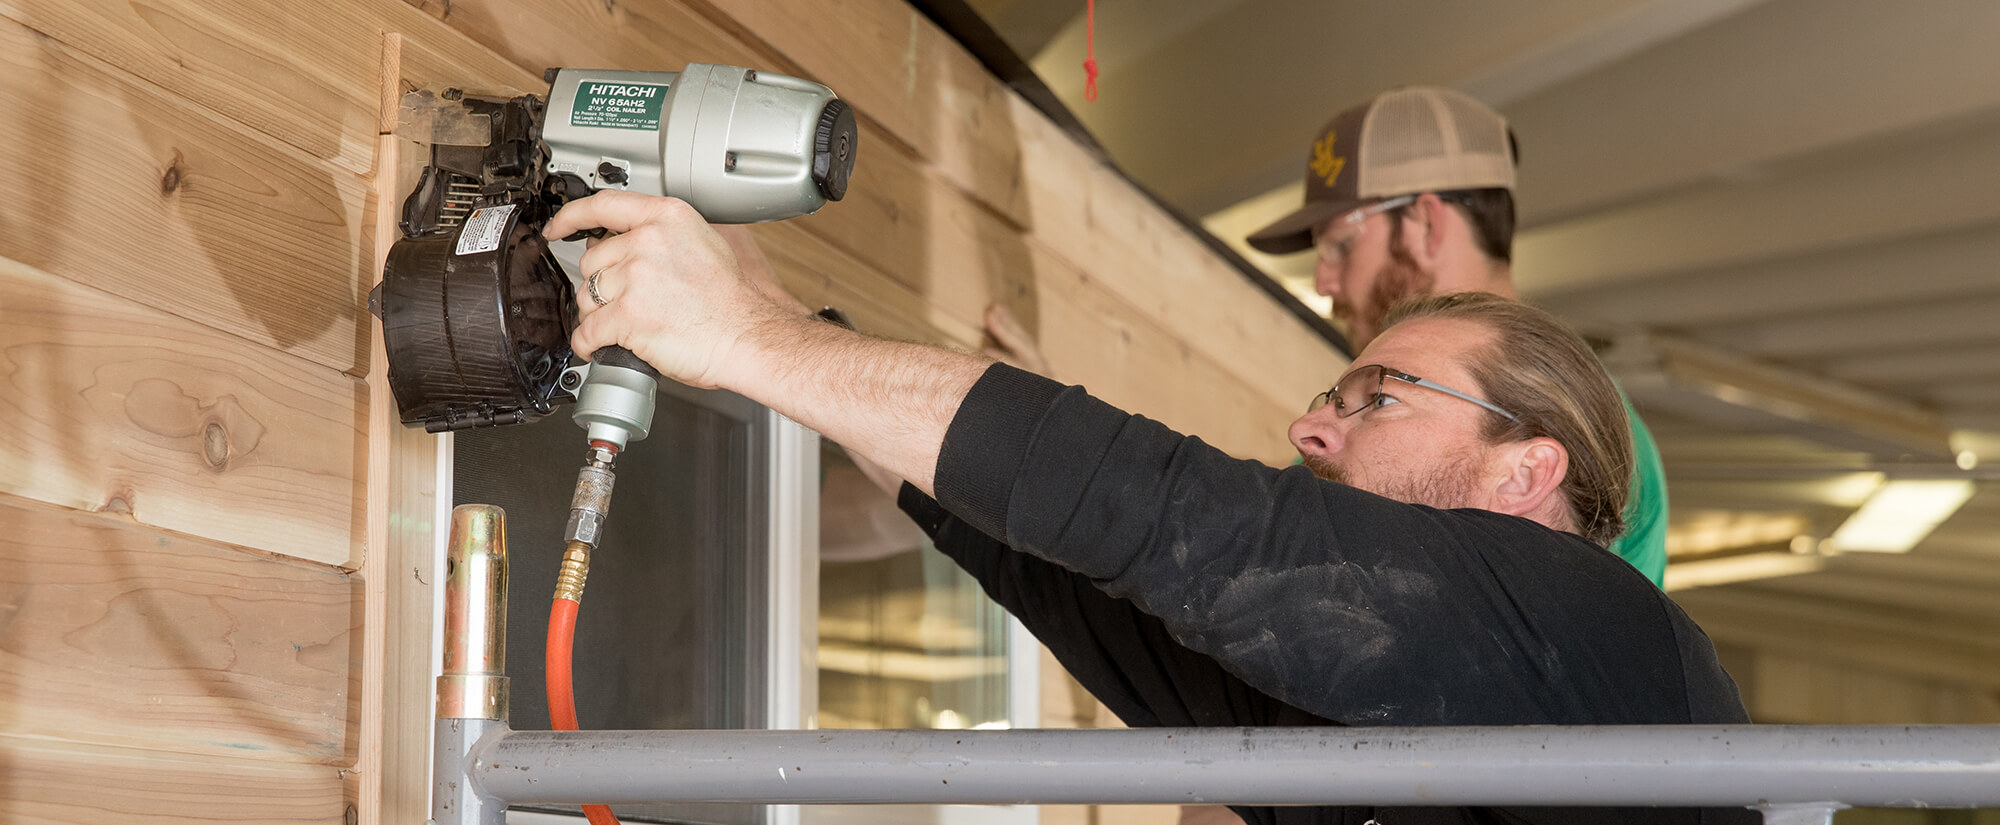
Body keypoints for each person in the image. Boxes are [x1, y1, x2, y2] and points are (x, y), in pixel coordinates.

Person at [545, 191, 1752, 824]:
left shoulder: (1596, 623)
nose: (1309, 426)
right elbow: (1062, 566)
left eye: (1376, 398)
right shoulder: (1366, 712)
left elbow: (1187, 521)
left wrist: (750, 341)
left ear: (1520, 471)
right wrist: (796, 343)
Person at [1244, 87, 1671, 588]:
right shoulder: (1366, 427)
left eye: (1341, 244)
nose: (1323, 282)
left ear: (1426, 223)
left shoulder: (1580, 423)